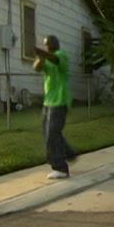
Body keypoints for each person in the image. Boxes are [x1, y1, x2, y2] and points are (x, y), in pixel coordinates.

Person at [34, 35, 76, 179]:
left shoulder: (61, 55)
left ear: (54, 45)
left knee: (52, 134)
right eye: (45, 45)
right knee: (49, 133)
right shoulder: (45, 58)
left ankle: (60, 168)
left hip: (60, 101)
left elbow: (55, 60)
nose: (46, 47)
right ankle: (69, 153)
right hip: (48, 102)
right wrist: (40, 57)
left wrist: (41, 53)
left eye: (47, 45)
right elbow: (37, 68)